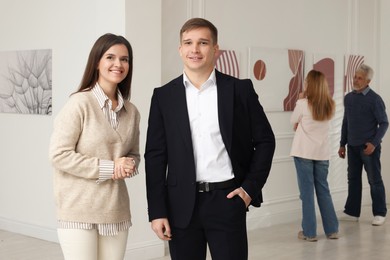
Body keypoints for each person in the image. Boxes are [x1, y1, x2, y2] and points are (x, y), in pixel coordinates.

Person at [144, 18, 275, 260]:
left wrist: (249, 189)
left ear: (216, 49)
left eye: (203, 43)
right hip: (180, 206)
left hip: (227, 201)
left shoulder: (239, 90)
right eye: (188, 43)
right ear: (180, 49)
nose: (194, 49)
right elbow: (155, 156)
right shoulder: (163, 97)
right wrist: (157, 211)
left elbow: (266, 141)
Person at [49, 33, 140, 260]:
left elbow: (134, 154)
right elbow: (59, 155)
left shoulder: (132, 111)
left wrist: (130, 164)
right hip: (79, 210)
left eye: (124, 59)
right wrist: (111, 167)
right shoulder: (79, 104)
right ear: (97, 62)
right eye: (110, 57)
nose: (118, 64)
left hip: (115, 211)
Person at [290, 70, 339, 242]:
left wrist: (300, 102)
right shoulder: (330, 105)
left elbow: (293, 121)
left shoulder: (303, 103)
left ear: (309, 85)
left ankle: (309, 233)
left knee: (307, 194)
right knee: (324, 191)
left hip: (303, 152)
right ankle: (332, 230)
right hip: (322, 154)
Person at [338, 64, 388, 226]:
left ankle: (380, 212)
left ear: (368, 81)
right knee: (353, 179)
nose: (356, 80)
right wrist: (342, 144)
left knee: (374, 180)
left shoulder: (375, 99)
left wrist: (374, 144)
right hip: (352, 146)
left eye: (360, 78)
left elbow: (384, 123)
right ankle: (352, 212)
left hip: (368, 149)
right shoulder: (349, 98)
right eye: (355, 77)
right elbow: (346, 122)